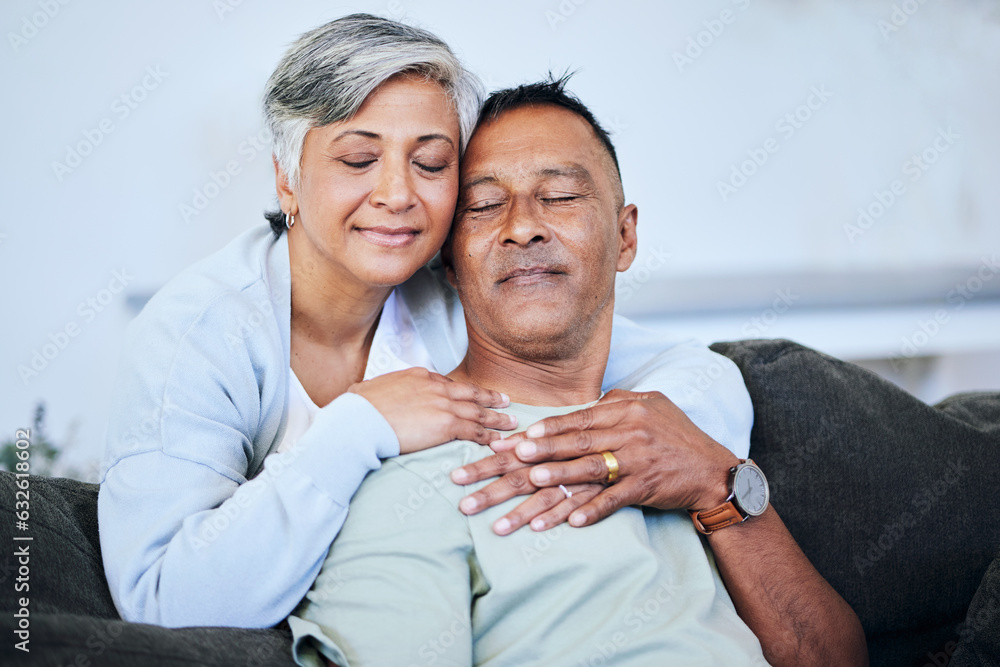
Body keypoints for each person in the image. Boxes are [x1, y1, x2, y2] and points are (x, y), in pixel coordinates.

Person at [96, 14, 754, 630]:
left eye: (431, 163)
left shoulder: (455, 295)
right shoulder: (197, 337)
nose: (397, 194)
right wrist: (359, 425)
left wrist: (663, 450)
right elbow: (162, 596)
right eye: (359, 159)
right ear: (287, 181)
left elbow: (691, 372)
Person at [287, 78, 868, 667]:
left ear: (625, 236)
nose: (523, 226)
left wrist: (717, 482)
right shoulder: (413, 475)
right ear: (448, 265)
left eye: (560, 195)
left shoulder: (680, 437)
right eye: (485, 206)